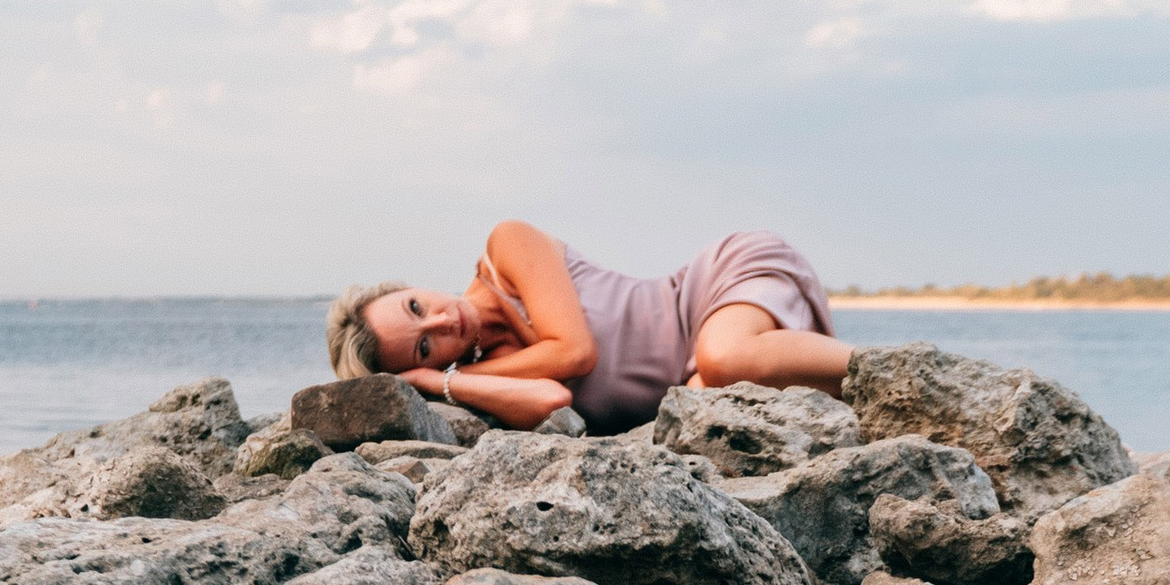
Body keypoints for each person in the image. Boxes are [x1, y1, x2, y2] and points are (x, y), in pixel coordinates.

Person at [326, 223, 845, 434]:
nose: (443, 321)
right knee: (704, 402)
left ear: (411, 286)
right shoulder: (490, 373)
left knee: (724, 358)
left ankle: (883, 369)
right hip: (690, 385)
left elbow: (575, 353)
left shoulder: (507, 249)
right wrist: (437, 384)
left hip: (709, 290)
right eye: (425, 346)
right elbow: (552, 398)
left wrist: (438, 377)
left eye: (416, 306)